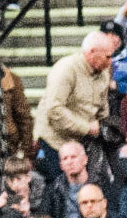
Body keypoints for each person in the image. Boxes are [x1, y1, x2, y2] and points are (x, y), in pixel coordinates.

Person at [34, 32, 116, 179]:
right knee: (59, 187)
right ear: (92, 52)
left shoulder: (103, 73)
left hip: (83, 142)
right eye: (107, 56)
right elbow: (55, 110)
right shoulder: (66, 69)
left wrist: (104, 126)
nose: (110, 62)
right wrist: (87, 127)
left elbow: (103, 109)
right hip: (55, 141)